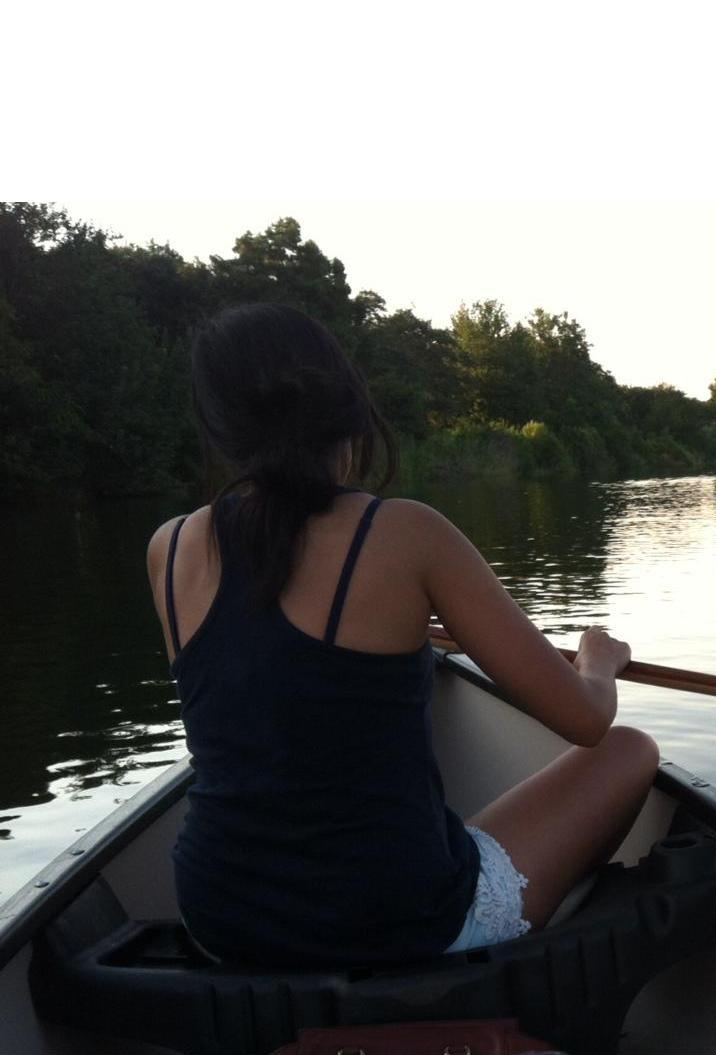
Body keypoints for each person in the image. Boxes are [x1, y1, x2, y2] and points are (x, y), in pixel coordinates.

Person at [144, 302, 658, 968]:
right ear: (347, 407)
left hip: (221, 920)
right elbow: (586, 721)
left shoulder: (169, 547)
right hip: (394, 921)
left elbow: (269, 680)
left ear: (221, 430)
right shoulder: (406, 535)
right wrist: (597, 660)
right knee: (630, 751)